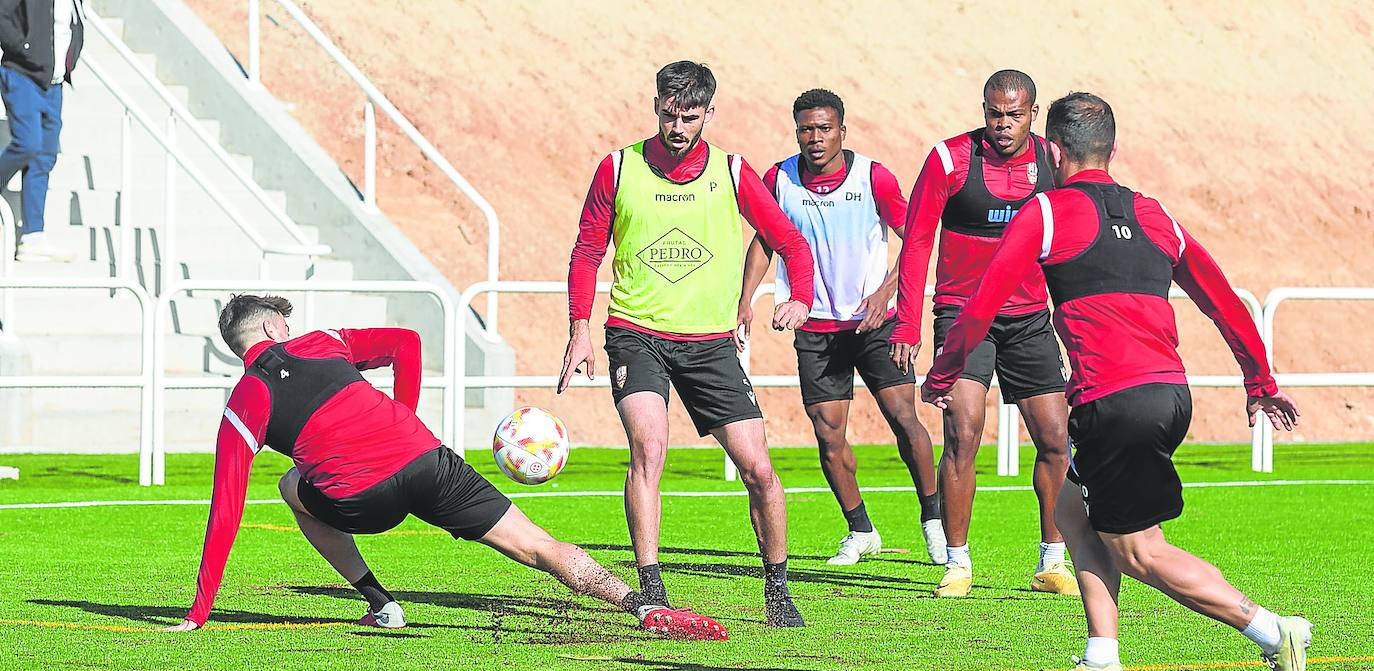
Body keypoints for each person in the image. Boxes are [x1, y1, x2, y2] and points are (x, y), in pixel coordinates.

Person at [923, 92, 1309, 671]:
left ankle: (1271, 630)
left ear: (1051, 149)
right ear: (1113, 150)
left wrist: (943, 376)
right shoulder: (1157, 215)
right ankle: (1100, 661)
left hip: (1115, 400)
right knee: (1073, 510)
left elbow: (983, 305)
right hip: (1167, 393)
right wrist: (1258, 380)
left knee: (1139, 550)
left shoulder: (1044, 212)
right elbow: (1225, 303)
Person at [164, 294, 727, 641]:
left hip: (363, 502)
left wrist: (200, 609)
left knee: (291, 485)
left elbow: (226, 507)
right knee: (537, 545)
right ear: (270, 331)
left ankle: (381, 604)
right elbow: (405, 342)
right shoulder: (324, 341)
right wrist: (402, 419)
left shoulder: (245, 401)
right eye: (283, 325)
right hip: (427, 461)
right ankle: (643, 606)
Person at [559, 61, 815, 626]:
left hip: (710, 344)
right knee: (649, 448)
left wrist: (799, 297)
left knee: (760, 470)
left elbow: (791, 242)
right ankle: (651, 586)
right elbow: (586, 253)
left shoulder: (731, 170)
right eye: (671, 115)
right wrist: (580, 329)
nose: (679, 127)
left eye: (691, 117)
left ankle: (778, 590)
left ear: (709, 113)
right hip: (635, 334)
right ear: (655, 106)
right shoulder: (619, 168)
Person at [889, 69, 1074, 598]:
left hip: (1030, 318)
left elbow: (1073, 235)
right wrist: (907, 321)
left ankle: (1052, 561)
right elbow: (919, 239)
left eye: (1014, 115)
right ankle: (958, 562)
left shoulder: (1052, 163)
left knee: (1056, 439)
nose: (1003, 125)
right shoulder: (949, 160)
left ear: (1032, 115)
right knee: (963, 432)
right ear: (983, 110)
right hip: (963, 317)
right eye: (994, 114)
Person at [737, 88, 941, 565]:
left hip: (875, 323)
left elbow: (916, 241)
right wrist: (745, 299)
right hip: (815, 326)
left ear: (841, 131)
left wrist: (885, 294)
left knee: (903, 418)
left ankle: (932, 520)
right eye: (806, 129)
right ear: (797, 132)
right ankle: (861, 529)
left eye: (824, 128)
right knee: (828, 434)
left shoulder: (873, 177)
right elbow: (764, 241)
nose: (815, 138)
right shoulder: (780, 179)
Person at [0, 0, 83, 261]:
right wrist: (23, 48)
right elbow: (2, 15)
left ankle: (33, 236)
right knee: (28, 143)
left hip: (54, 83)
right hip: (23, 75)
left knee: (44, 156)